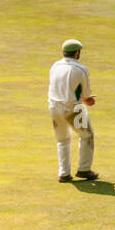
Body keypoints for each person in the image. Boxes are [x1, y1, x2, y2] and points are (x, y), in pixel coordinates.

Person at [48, 39, 98, 183]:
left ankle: (64, 174)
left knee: (62, 140)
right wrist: (88, 100)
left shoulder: (55, 65)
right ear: (77, 53)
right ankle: (84, 169)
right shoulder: (81, 69)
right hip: (73, 108)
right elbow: (86, 95)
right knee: (87, 135)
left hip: (53, 106)